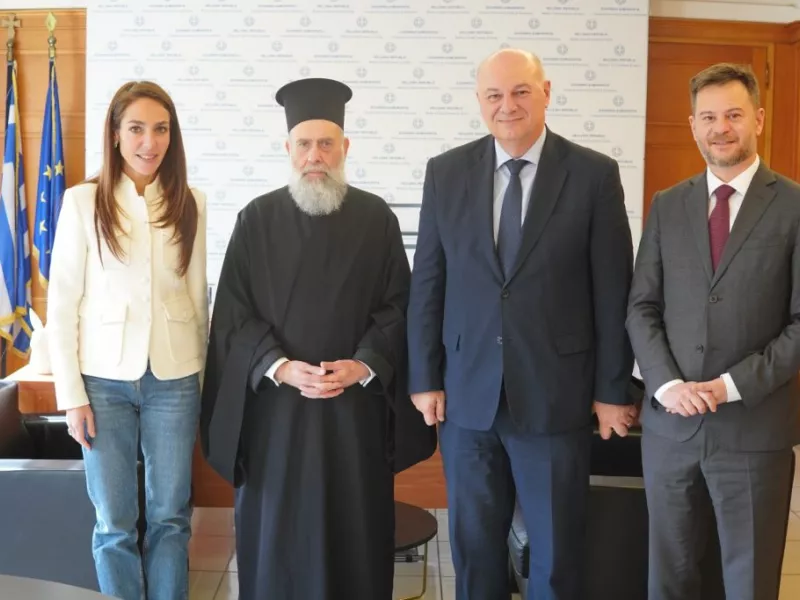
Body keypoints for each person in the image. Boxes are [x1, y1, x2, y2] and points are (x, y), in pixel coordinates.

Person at [407, 48, 637, 600]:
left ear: (546, 92)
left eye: (520, 91)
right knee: (474, 551)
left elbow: (613, 291)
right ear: (479, 101)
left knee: (555, 556)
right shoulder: (446, 173)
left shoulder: (593, 175)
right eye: (494, 95)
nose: (506, 105)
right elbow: (428, 282)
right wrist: (424, 377)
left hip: (556, 397)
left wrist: (612, 390)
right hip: (467, 397)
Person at [199, 77, 437, 600]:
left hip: (354, 418)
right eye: (304, 144)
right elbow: (233, 316)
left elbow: (400, 306)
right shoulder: (256, 219)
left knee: (355, 538)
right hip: (276, 420)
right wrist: (279, 366)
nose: (315, 156)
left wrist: (364, 364)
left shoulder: (376, 218)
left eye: (326, 143)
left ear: (344, 147)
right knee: (278, 545)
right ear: (288, 149)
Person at [627, 62, 800, 600]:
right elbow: (641, 306)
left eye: (733, 115)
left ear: (759, 119)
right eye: (708, 117)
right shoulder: (667, 204)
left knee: (749, 583)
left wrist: (729, 386)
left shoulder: (794, 205)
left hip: (754, 430)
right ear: (693, 125)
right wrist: (666, 385)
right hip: (670, 430)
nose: (720, 128)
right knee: (669, 579)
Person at [47, 80, 208, 600]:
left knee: (170, 517)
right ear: (115, 134)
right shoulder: (82, 202)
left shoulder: (191, 202)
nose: (149, 142)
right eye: (136, 128)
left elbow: (197, 301)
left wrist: (202, 384)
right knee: (114, 522)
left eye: (160, 129)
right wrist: (72, 398)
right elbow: (62, 305)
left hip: (174, 381)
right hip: (102, 384)